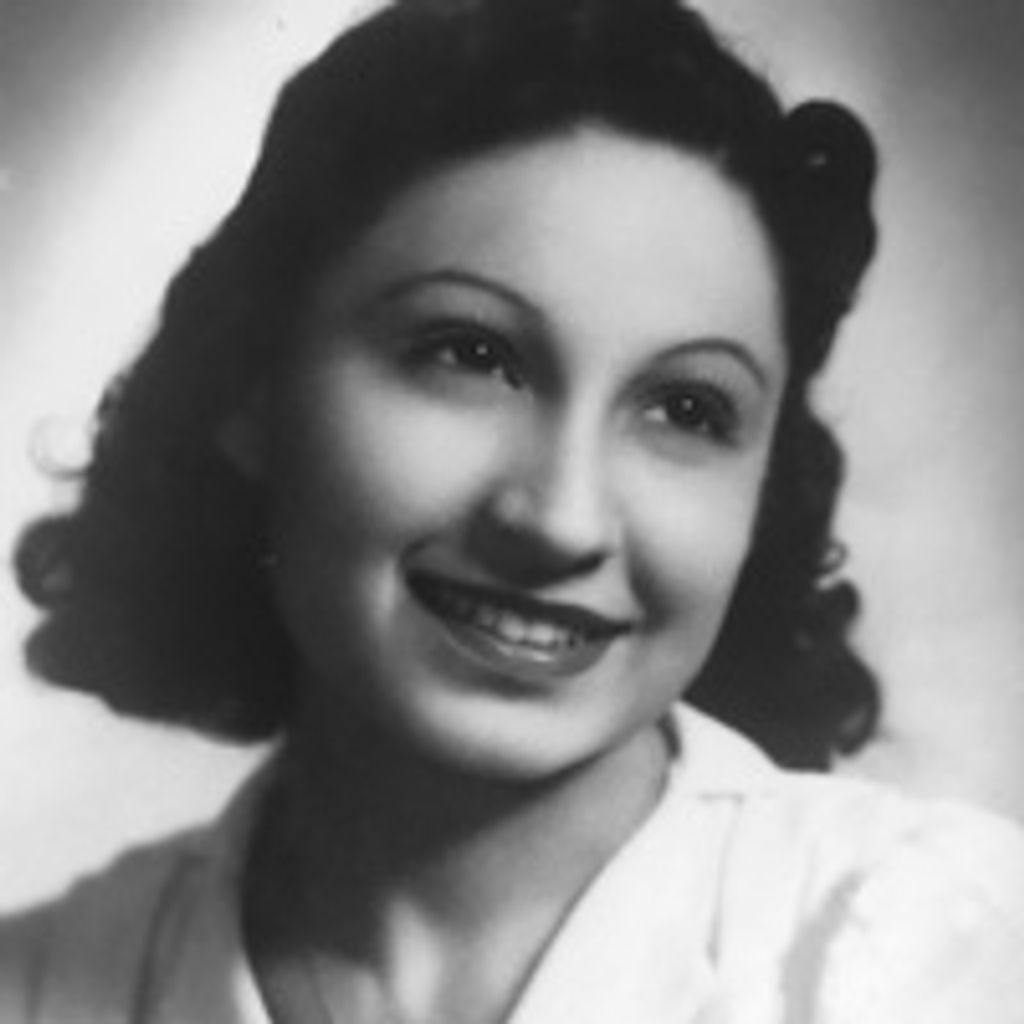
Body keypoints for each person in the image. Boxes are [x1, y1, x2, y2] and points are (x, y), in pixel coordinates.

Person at [3, 0, 1023, 1020]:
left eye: (687, 409)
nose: (562, 520)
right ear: (253, 389)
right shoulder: (40, 987)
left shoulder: (939, 946)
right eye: (470, 354)